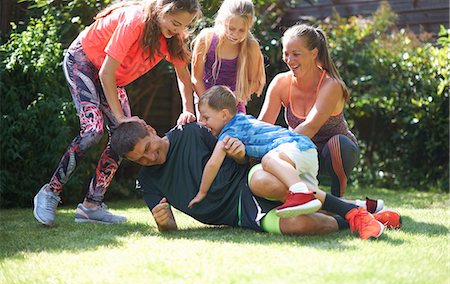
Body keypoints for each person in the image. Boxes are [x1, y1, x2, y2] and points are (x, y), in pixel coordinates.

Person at [33, 0, 202, 226]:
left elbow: (183, 76)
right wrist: (121, 118)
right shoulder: (135, 21)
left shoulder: (172, 38)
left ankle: (92, 205)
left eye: (184, 25)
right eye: (175, 22)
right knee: (93, 131)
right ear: (161, 9)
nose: (178, 30)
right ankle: (50, 192)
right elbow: (106, 73)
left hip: (112, 80)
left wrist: (188, 110)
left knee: (125, 140)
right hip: (83, 62)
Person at [111, 121, 401, 240]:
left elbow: (240, 152)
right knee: (297, 224)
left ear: (150, 130)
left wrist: (237, 155)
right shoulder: (148, 180)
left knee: (269, 185)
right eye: (141, 159)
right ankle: (356, 214)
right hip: (243, 216)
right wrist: (164, 222)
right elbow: (170, 228)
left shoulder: (190, 131)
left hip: (247, 180)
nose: (150, 158)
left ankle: (353, 209)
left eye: (148, 148)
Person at [188, 85, 322, 218]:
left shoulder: (229, 132)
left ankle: (299, 192)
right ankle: (338, 215)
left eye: (206, 118)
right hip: (305, 151)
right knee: (315, 206)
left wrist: (202, 192)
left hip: (293, 147)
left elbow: (213, 164)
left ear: (224, 115)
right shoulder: (242, 120)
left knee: (269, 160)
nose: (202, 122)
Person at [258, 24, 359, 198]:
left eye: (296, 54)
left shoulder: (331, 85)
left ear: (314, 53)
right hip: (302, 151)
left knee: (337, 144)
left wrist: (279, 151)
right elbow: (262, 127)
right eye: (286, 54)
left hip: (334, 153)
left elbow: (310, 127)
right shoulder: (280, 83)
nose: (289, 60)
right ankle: (302, 196)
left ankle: (338, 196)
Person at [191, 0, 265, 115]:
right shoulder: (206, 39)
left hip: (233, 102)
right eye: (231, 28)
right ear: (222, 21)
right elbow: (196, 78)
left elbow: (253, 81)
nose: (235, 34)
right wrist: (206, 104)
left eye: (241, 30)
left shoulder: (250, 46)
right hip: (205, 97)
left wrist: (234, 97)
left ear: (249, 26)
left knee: (234, 132)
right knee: (208, 132)